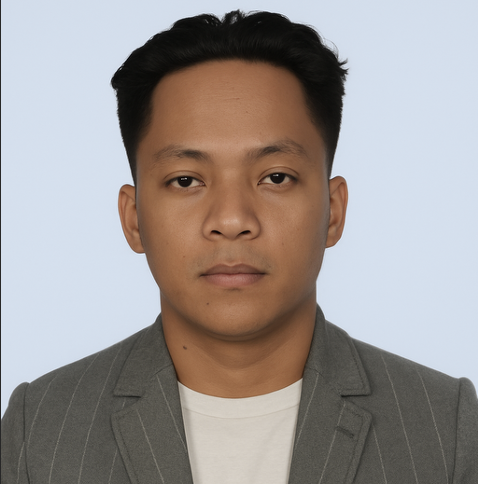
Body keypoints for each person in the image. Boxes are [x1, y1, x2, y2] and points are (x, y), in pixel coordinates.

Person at [2, 9, 477, 484]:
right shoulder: (38, 430)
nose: (231, 221)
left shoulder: (447, 429)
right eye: (186, 180)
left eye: (276, 177)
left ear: (333, 211)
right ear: (134, 219)